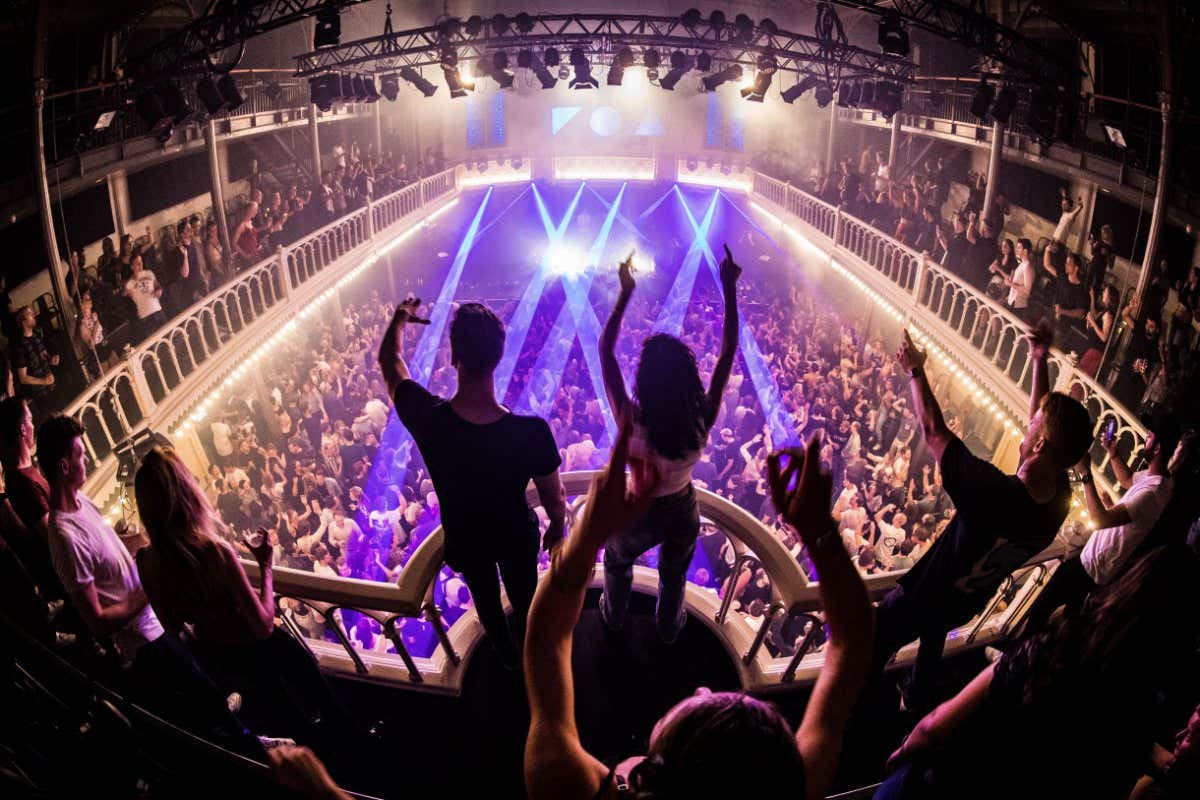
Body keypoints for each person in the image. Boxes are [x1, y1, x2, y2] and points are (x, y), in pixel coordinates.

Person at [523, 428, 873, 800]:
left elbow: (545, 637)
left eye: (704, 708)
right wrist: (821, 533)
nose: (703, 688)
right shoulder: (781, 790)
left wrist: (589, 535)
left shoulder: (561, 780)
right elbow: (853, 643)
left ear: (660, 769)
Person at [868, 323, 1092, 711]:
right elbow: (1037, 445)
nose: (1030, 422)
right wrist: (1038, 362)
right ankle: (918, 693)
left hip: (922, 596)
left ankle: (864, 713)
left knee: (872, 645)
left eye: (1035, 423)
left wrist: (915, 370)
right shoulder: (1057, 500)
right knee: (935, 631)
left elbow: (933, 430)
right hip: (965, 600)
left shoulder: (989, 491)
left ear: (1038, 442)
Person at [874, 546, 1200, 800]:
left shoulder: (1058, 645)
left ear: (1129, 584)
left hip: (951, 780)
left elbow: (936, 725)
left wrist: (905, 749)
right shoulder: (1140, 718)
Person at [36, 415, 259, 756]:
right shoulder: (64, 536)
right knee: (206, 712)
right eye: (81, 455)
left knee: (211, 698)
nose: (86, 460)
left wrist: (162, 543)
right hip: (142, 647)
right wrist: (148, 590)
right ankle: (259, 759)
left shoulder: (84, 504)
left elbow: (118, 552)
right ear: (65, 464)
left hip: (155, 624)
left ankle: (252, 743)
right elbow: (95, 619)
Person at [378, 297, 567, 669]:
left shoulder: (429, 419)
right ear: (498, 358)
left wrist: (400, 319)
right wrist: (557, 529)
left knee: (485, 600)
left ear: (453, 357)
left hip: (467, 539)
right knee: (526, 596)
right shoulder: (531, 433)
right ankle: (534, 659)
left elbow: (390, 365)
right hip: (515, 536)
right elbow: (555, 499)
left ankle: (506, 659)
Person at [132, 447, 351, 747]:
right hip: (265, 648)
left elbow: (174, 629)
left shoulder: (146, 561)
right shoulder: (214, 553)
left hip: (225, 661)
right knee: (326, 705)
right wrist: (265, 566)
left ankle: (322, 769)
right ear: (185, 494)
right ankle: (358, 754)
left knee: (292, 727)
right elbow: (263, 625)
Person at [597, 245, 740, 643]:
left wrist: (625, 292)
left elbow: (605, 351)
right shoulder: (701, 417)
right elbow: (728, 351)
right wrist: (729, 288)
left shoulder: (631, 419)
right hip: (680, 506)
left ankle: (613, 619)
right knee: (674, 574)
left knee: (617, 560)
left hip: (635, 507)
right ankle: (667, 630)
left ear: (643, 381)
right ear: (688, 379)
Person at [1019, 413, 1179, 637]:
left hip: (1092, 566)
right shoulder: (1158, 480)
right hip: (1094, 565)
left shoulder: (1153, 493)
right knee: (1064, 624)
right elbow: (1126, 480)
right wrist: (1113, 454)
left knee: (1041, 608)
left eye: (1150, 436)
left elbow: (1100, 519)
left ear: (1158, 447)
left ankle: (1006, 660)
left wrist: (1086, 475)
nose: (1146, 438)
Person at [11, 305, 59, 403]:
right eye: (29, 314)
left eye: (32, 312)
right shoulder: (20, 346)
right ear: (23, 321)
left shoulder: (36, 334)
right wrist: (43, 381)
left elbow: (43, 355)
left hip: (51, 385)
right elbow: (23, 378)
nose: (34, 315)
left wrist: (51, 360)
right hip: (39, 393)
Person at [124, 252, 166, 340]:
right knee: (153, 343)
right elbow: (125, 296)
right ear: (132, 266)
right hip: (145, 317)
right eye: (137, 262)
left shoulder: (149, 273)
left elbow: (158, 286)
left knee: (167, 336)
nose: (140, 264)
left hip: (157, 310)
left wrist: (159, 291)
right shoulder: (129, 284)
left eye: (141, 261)